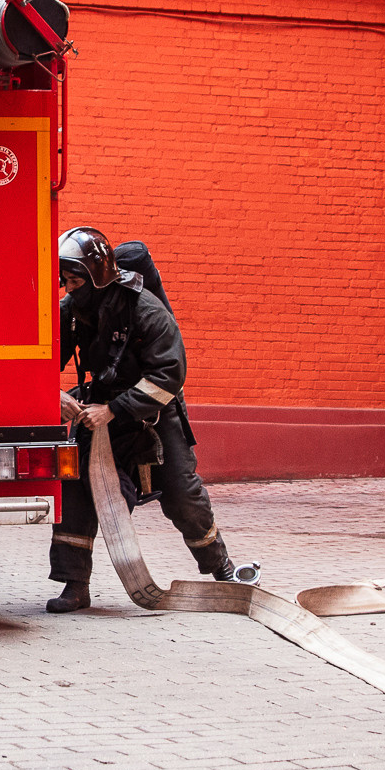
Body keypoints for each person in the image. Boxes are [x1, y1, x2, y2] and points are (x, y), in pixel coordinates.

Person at [47, 226, 246, 613]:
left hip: (152, 416)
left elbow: (169, 375)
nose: (68, 289)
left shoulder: (146, 310)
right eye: (65, 281)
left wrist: (116, 409)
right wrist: (54, 396)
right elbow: (44, 360)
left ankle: (222, 569)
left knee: (182, 493)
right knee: (75, 491)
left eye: (74, 281)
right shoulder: (71, 312)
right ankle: (75, 586)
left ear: (96, 276)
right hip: (97, 415)